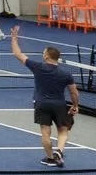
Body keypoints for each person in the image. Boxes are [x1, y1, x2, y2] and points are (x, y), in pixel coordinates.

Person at [9, 26, 79, 167]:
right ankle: (59, 151)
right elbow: (74, 92)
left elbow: (18, 54)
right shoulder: (66, 74)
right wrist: (75, 105)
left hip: (41, 104)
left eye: (44, 52)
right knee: (63, 131)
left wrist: (14, 38)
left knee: (45, 132)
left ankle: (50, 158)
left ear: (47, 56)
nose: (42, 54)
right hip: (59, 105)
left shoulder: (38, 67)